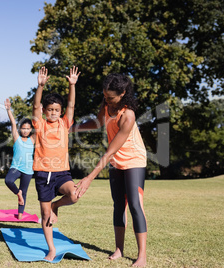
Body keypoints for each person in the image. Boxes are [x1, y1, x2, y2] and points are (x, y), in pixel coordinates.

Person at [73, 73, 147, 267]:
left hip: (134, 160)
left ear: (122, 93)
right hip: (116, 161)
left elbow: (110, 152)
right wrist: (72, 128)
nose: (106, 99)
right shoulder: (106, 105)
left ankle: (142, 256)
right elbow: (97, 124)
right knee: (117, 205)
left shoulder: (127, 116)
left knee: (134, 205)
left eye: (110, 96)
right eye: (105, 95)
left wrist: (89, 178)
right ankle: (119, 249)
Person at [32, 66, 81, 261]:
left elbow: (71, 105)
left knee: (74, 195)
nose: (53, 112)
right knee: (44, 215)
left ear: (60, 112)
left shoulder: (64, 123)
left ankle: (56, 206)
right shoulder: (40, 123)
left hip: (62, 172)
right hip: (43, 173)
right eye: (50, 110)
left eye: (56, 110)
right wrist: (40, 87)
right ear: (45, 111)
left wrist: (72, 85)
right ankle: (51, 249)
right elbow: (35, 106)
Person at [4, 98, 35, 220]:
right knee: (8, 180)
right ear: (20, 129)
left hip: (28, 169)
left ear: (31, 129)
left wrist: (41, 110)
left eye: (28, 129)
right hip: (16, 167)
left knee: (25, 191)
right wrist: (8, 110)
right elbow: (13, 123)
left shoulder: (32, 139)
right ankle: (18, 193)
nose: (25, 130)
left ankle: (20, 215)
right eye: (23, 128)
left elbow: (41, 125)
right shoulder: (16, 137)